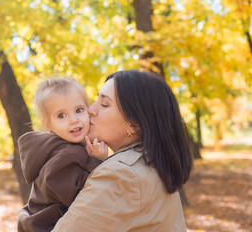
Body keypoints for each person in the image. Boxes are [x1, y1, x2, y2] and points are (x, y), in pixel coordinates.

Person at [52, 70, 193, 231]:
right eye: (96, 100)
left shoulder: (122, 174)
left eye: (104, 104)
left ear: (133, 125)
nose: (90, 109)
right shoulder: (154, 164)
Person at [17, 77, 108, 232]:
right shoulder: (65, 155)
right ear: (47, 124)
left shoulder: (63, 148)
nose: (74, 120)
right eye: (61, 115)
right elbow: (81, 198)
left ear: (88, 110)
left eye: (79, 110)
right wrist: (96, 161)